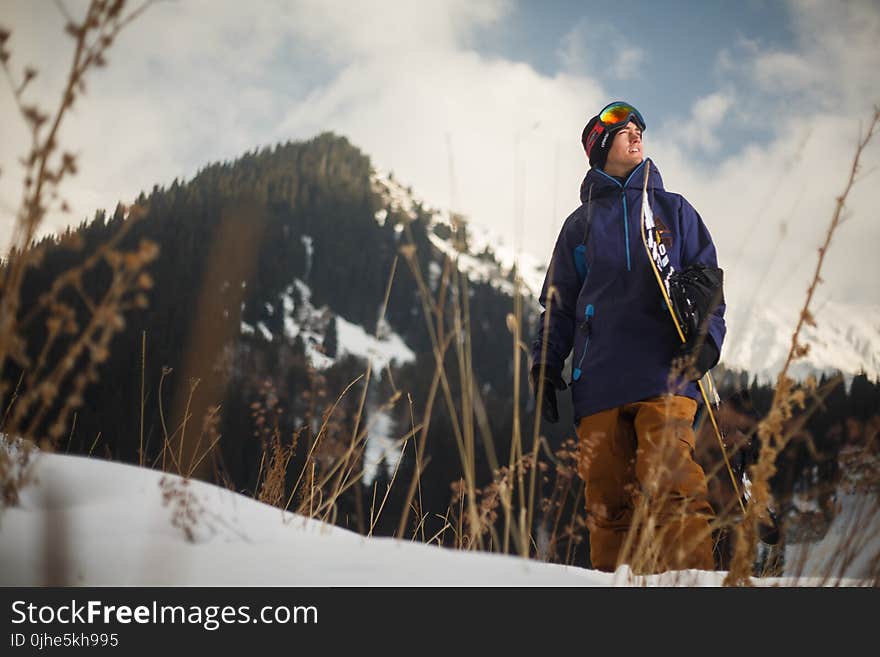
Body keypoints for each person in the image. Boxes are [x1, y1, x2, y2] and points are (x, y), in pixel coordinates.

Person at [529, 101, 726, 573]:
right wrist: (545, 364)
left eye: (640, 129)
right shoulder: (579, 226)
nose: (637, 135)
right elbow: (558, 304)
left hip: (665, 374)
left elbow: (709, 285)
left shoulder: (672, 210)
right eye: (624, 132)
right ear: (600, 148)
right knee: (607, 504)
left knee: (673, 487)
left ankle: (690, 591)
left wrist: (708, 340)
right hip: (597, 383)